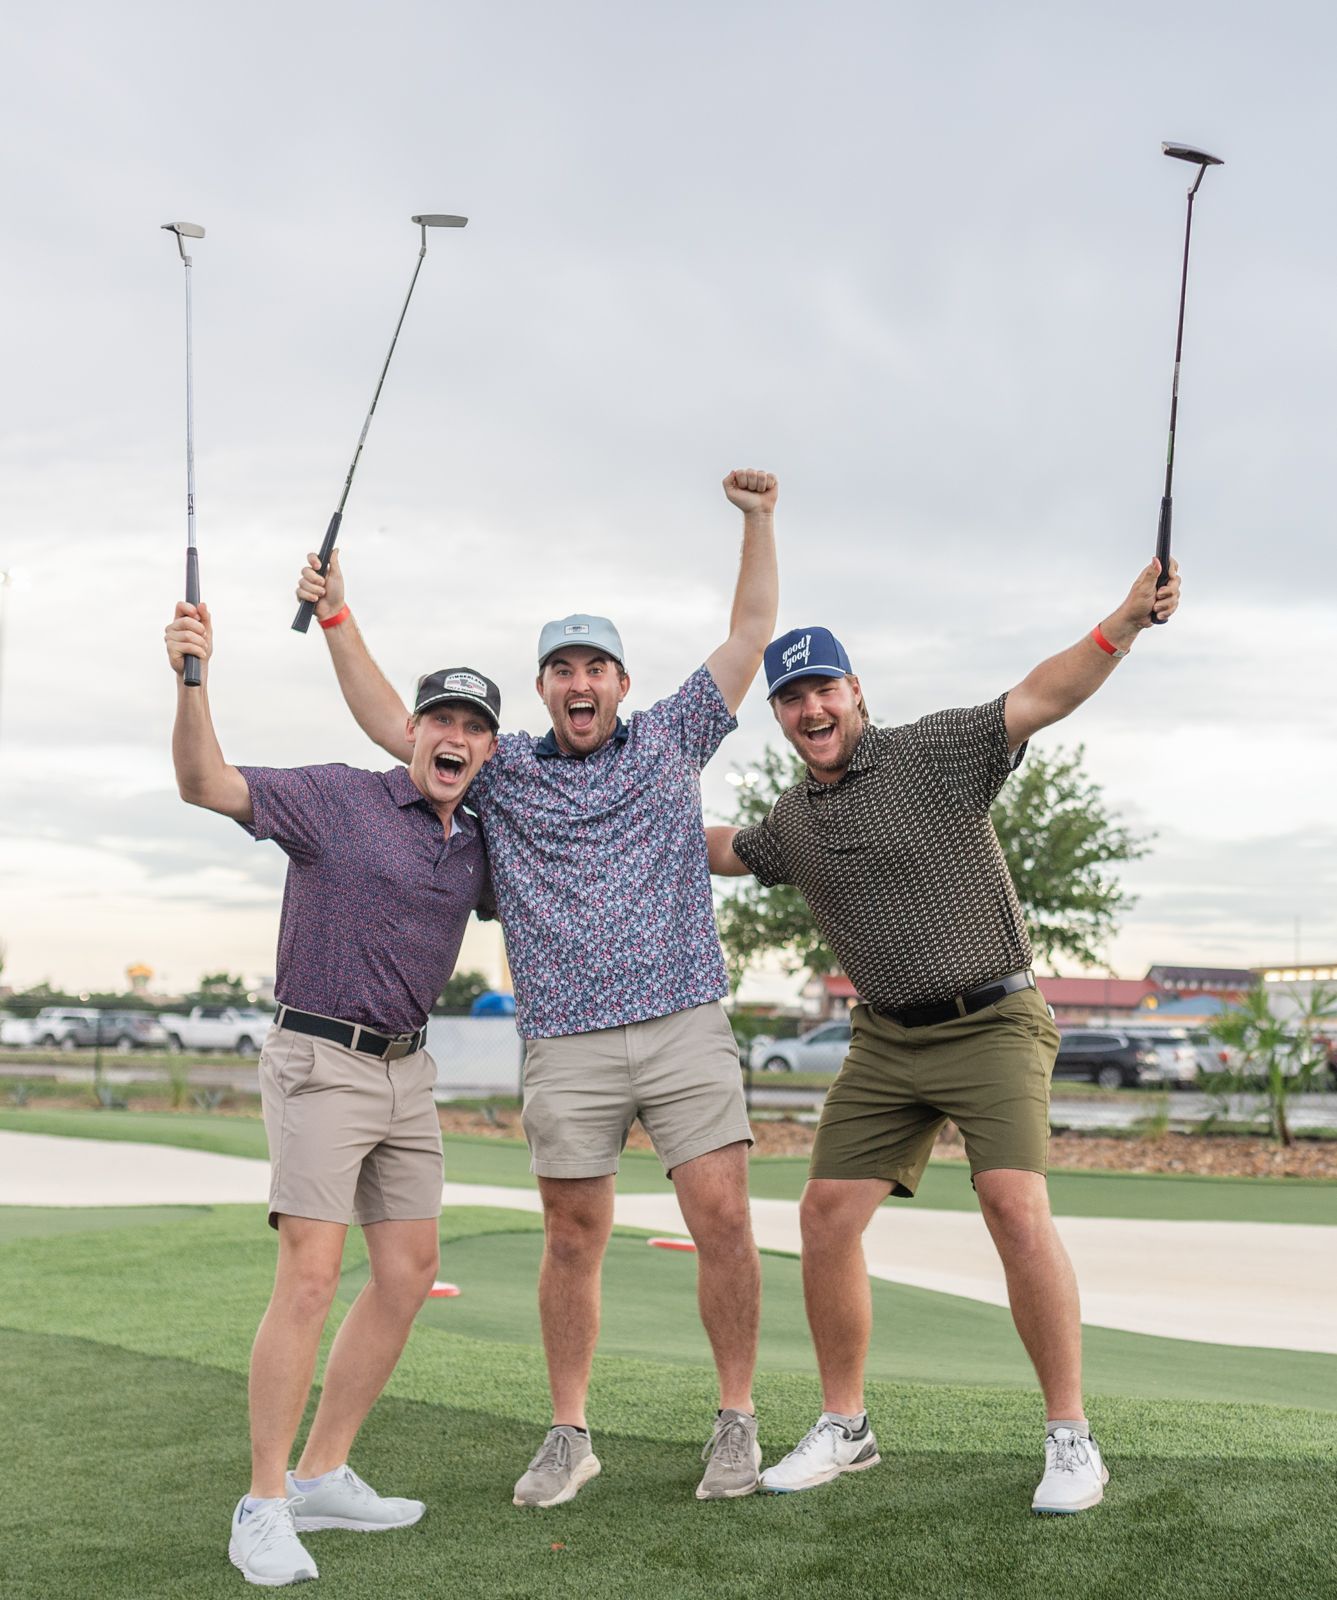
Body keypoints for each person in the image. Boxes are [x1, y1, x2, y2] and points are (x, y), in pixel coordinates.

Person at [293, 469, 779, 1505]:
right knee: (569, 1237)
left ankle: (734, 1418)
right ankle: (568, 1432)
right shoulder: (503, 770)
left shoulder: (668, 739)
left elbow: (748, 632)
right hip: (564, 1041)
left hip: (683, 1018)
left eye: (595, 664)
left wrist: (757, 521)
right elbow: (395, 721)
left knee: (721, 1214)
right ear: (545, 690)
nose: (578, 681)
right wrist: (336, 612)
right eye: (560, 667)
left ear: (620, 682)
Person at [707, 555, 1182, 1515]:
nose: (809, 710)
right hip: (885, 1041)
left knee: (1012, 1205)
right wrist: (610, 817)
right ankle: (847, 1425)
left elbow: (1044, 695)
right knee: (823, 1216)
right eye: (790, 698)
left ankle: (1070, 1439)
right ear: (781, 716)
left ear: (855, 693)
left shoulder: (936, 752)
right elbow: (725, 850)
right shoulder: (794, 821)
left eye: (822, 689)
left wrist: (1123, 620)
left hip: (994, 1018)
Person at [165, 599, 501, 1587]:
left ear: (485, 751)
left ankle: (320, 1473)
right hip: (318, 1055)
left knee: (406, 1269)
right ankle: (262, 1503)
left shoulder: (474, 841)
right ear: (412, 731)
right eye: (442, 719)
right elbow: (203, 782)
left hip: (407, 1069)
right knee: (311, 1275)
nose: (456, 737)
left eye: (475, 728)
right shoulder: (336, 797)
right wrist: (192, 675)